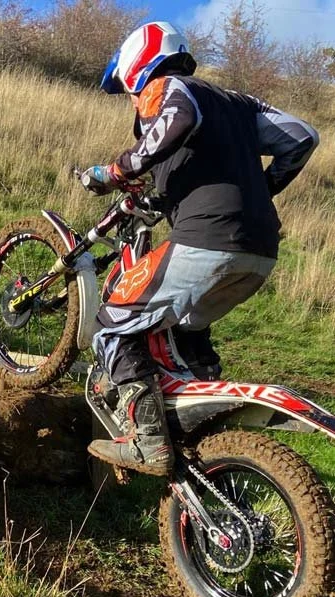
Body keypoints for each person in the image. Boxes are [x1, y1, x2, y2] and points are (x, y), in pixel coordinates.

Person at [81, 21, 319, 476]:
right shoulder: (239, 104)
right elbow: (303, 137)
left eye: (129, 92)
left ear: (138, 68)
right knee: (185, 327)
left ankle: (147, 441)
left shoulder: (166, 86)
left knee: (110, 322)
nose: (134, 103)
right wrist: (262, 192)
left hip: (206, 241)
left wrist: (116, 169)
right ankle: (204, 433)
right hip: (259, 252)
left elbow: (179, 117)